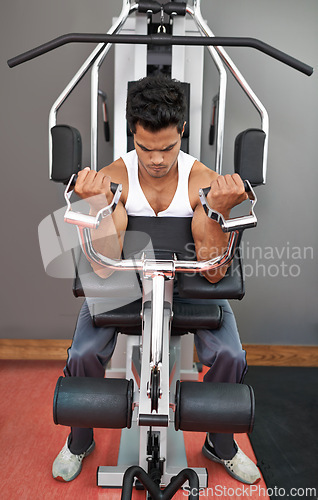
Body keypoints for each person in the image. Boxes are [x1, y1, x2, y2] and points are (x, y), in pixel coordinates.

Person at [52, 74, 261, 485]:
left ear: (182, 131)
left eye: (167, 147)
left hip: (190, 280)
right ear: (133, 133)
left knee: (232, 356)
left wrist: (216, 211)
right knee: (82, 354)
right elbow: (105, 267)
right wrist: (97, 201)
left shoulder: (201, 180)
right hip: (125, 280)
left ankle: (221, 441)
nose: (158, 160)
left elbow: (215, 269)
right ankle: (79, 441)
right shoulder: (117, 177)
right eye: (146, 148)